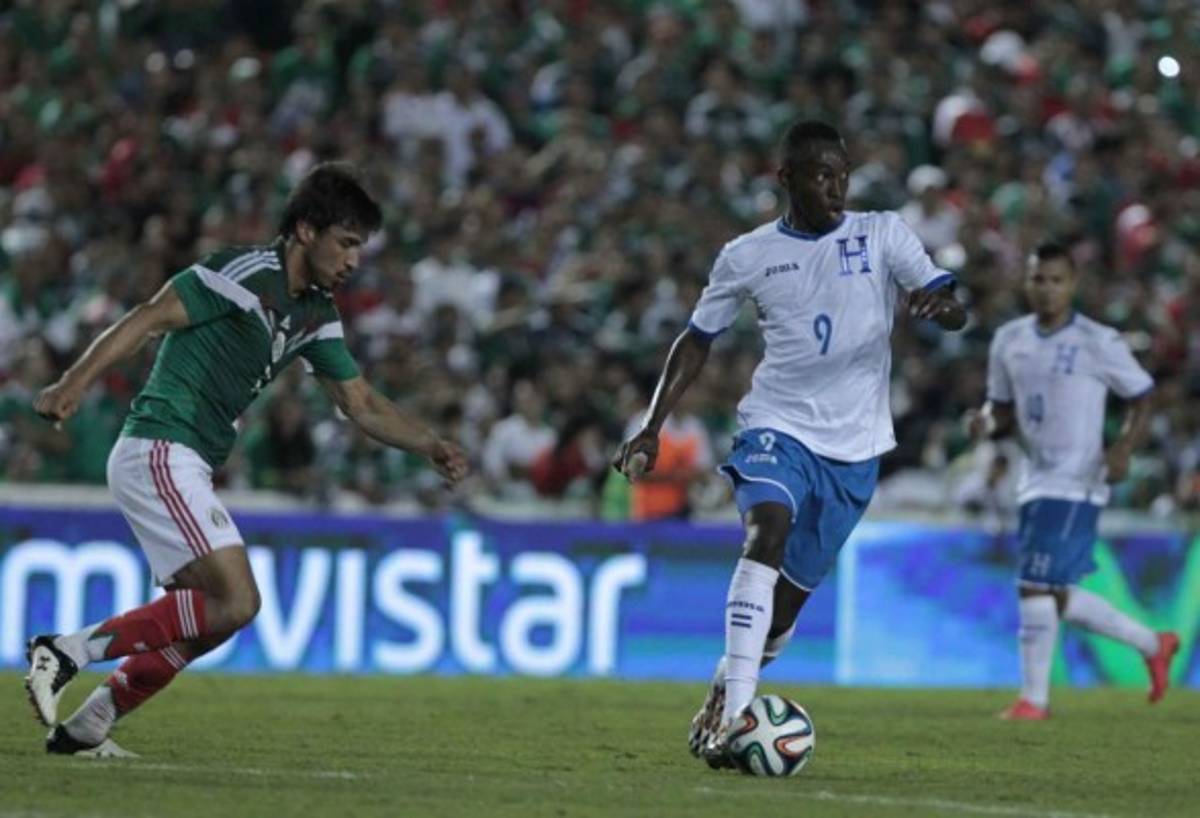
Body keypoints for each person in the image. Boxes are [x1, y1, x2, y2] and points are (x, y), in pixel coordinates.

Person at [26, 163, 469, 757]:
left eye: (359, 247)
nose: (353, 260)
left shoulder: (315, 313)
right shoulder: (241, 275)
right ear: (306, 230)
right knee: (237, 601)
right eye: (346, 243)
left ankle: (88, 726)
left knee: (215, 618)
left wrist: (430, 444)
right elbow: (149, 316)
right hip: (160, 446)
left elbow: (359, 403)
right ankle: (66, 651)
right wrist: (73, 383)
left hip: (186, 460)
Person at [612, 120, 967, 768]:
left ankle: (726, 682)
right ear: (785, 179)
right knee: (766, 531)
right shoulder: (746, 254)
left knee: (780, 616)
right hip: (776, 426)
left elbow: (950, 299)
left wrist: (942, 308)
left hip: (855, 449)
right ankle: (736, 715)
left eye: (842, 175)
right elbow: (697, 339)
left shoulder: (882, 233)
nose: (836, 187)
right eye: (821, 175)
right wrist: (652, 424)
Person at [965, 241, 1179, 721]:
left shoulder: (1097, 341)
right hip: (1033, 478)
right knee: (1052, 589)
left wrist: (1123, 447)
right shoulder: (1009, 340)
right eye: (1038, 279)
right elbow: (1001, 409)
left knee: (1033, 584)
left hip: (1078, 479)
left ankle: (1033, 701)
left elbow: (1142, 396)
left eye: (1056, 280)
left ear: (1073, 285)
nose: (1047, 289)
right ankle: (1153, 644)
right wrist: (984, 422)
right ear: (1026, 282)